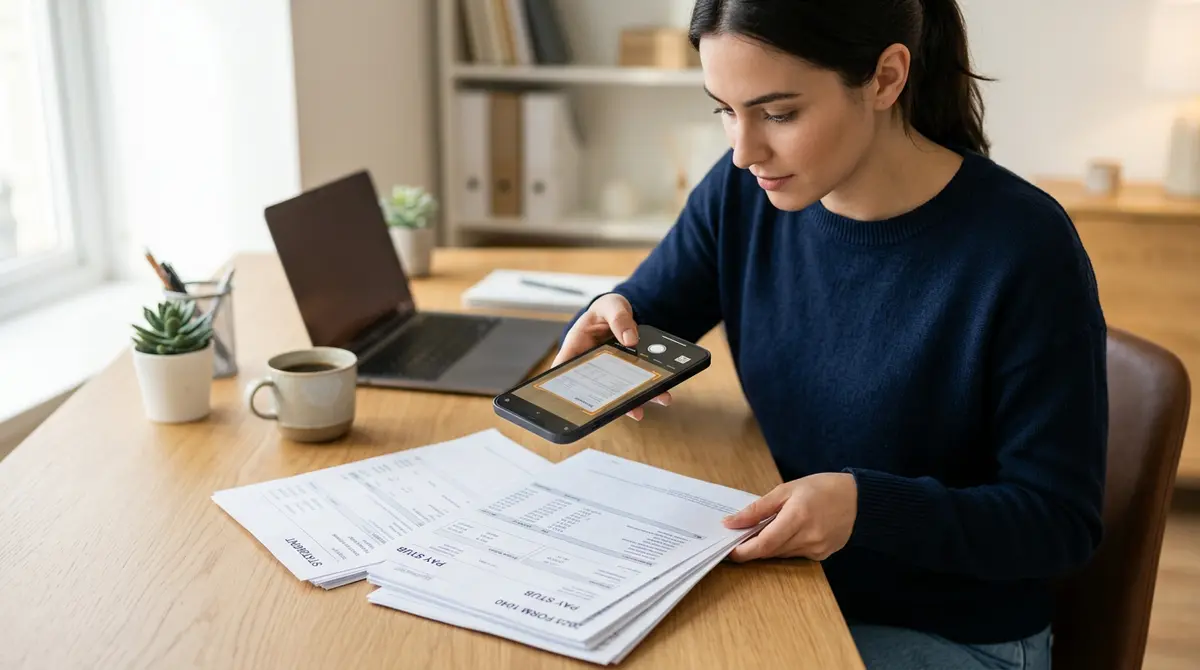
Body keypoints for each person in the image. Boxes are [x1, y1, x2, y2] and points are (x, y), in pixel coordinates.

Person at [553, 1, 1108, 668]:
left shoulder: (1022, 248)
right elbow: (644, 314)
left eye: (779, 114)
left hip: (954, 634)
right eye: (724, 109)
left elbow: (1058, 524)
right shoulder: (744, 197)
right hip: (784, 585)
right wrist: (608, 316)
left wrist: (864, 507)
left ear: (885, 78)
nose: (744, 150)